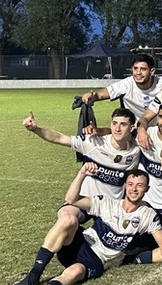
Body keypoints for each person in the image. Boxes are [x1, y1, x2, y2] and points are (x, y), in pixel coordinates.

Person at [12, 165, 162, 285]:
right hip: (82, 243)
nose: (134, 189)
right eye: (131, 184)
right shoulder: (107, 203)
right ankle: (34, 275)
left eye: (139, 185)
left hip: (97, 259)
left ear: (147, 189)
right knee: (68, 220)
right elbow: (71, 199)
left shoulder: (147, 215)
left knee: (75, 271)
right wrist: (81, 174)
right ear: (125, 186)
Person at [18, 108, 141, 251]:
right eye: (114, 123)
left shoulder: (136, 152)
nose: (117, 128)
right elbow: (59, 138)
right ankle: (39, 264)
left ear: (132, 127)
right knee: (67, 219)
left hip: (109, 207)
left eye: (123, 124)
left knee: (115, 249)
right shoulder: (94, 142)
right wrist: (35, 129)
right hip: (83, 200)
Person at [81, 53, 162, 122]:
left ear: (152, 71)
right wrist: (92, 95)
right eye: (135, 68)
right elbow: (103, 93)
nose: (138, 73)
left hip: (160, 130)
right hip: (135, 130)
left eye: (143, 69)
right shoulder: (126, 85)